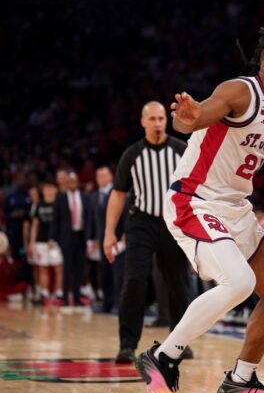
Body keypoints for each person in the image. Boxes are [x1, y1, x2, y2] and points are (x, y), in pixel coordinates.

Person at [134, 23, 264, 393]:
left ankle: (240, 380)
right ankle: (163, 357)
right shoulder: (240, 91)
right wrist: (188, 116)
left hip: (235, 207)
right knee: (240, 282)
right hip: (195, 199)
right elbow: (193, 119)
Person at [105, 101, 192, 363]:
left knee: (178, 283)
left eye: (161, 118)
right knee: (134, 280)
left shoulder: (181, 150)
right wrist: (109, 232)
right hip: (141, 222)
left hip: (173, 222)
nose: (157, 123)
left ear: (166, 120)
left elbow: (196, 188)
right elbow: (118, 193)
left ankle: (179, 342)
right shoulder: (132, 154)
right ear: (143, 122)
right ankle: (127, 345)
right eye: (152, 119)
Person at [86, 166, 125, 313]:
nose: (101, 178)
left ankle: (118, 305)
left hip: (117, 239)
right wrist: (90, 240)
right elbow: (91, 219)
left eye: (104, 175)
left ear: (111, 177)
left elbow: (124, 216)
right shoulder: (93, 196)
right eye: (98, 176)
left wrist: (125, 234)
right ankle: (106, 304)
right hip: (101, 240)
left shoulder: (118, 193)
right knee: (104, 272)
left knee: (118, 273)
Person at [50, 171, 89, 312]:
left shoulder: (84, 197)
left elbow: (88, 218)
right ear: (66, 183)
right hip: (66, 237)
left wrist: (90, 237)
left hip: (81, 236)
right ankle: (65, 298)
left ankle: (77, 298)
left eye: (74, 180)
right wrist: (53, 238)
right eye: (69, 181)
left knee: (79, 269)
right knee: (67, 268)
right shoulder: (60, 197)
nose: (72, 183)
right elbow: (55, 220)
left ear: (77, 182)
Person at [30, 182, 63, 305]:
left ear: (56, 190)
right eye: (46, 189)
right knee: (42, 267)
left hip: (56, 242)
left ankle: (59, 292)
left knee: (58, 268)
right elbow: (35, 225)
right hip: (41, 241)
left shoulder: (59, 204)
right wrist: (32, 242)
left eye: (51, 188)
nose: (48, 191)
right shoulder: (38, 205)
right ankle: (44, 293)